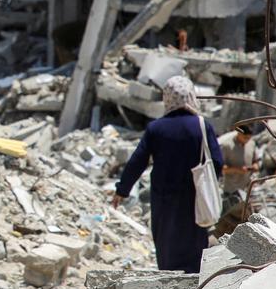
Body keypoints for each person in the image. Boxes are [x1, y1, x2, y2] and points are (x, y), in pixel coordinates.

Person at [111, 75, 223, 273]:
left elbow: (138, 161)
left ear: (167, 98)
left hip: (164, 199)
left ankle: (168, 285)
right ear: (191, 96)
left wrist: (122, 190)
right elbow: (217, 161)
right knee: (194, 246)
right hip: (195, 198)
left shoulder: (156, 128)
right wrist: (206, 185)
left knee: (167, 244)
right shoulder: (201, 126)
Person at [217, 123, 260, 235]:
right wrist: (237, 170)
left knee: (246, 219)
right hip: (231, 189)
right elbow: (221, 168)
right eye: (245, 137)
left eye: (249, 138)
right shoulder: (227, 146)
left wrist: (255, 166)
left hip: (247, 189)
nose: (247, 140)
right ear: (239, 133)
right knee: (228, 219)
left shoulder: (251, 144)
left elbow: (255, 160)